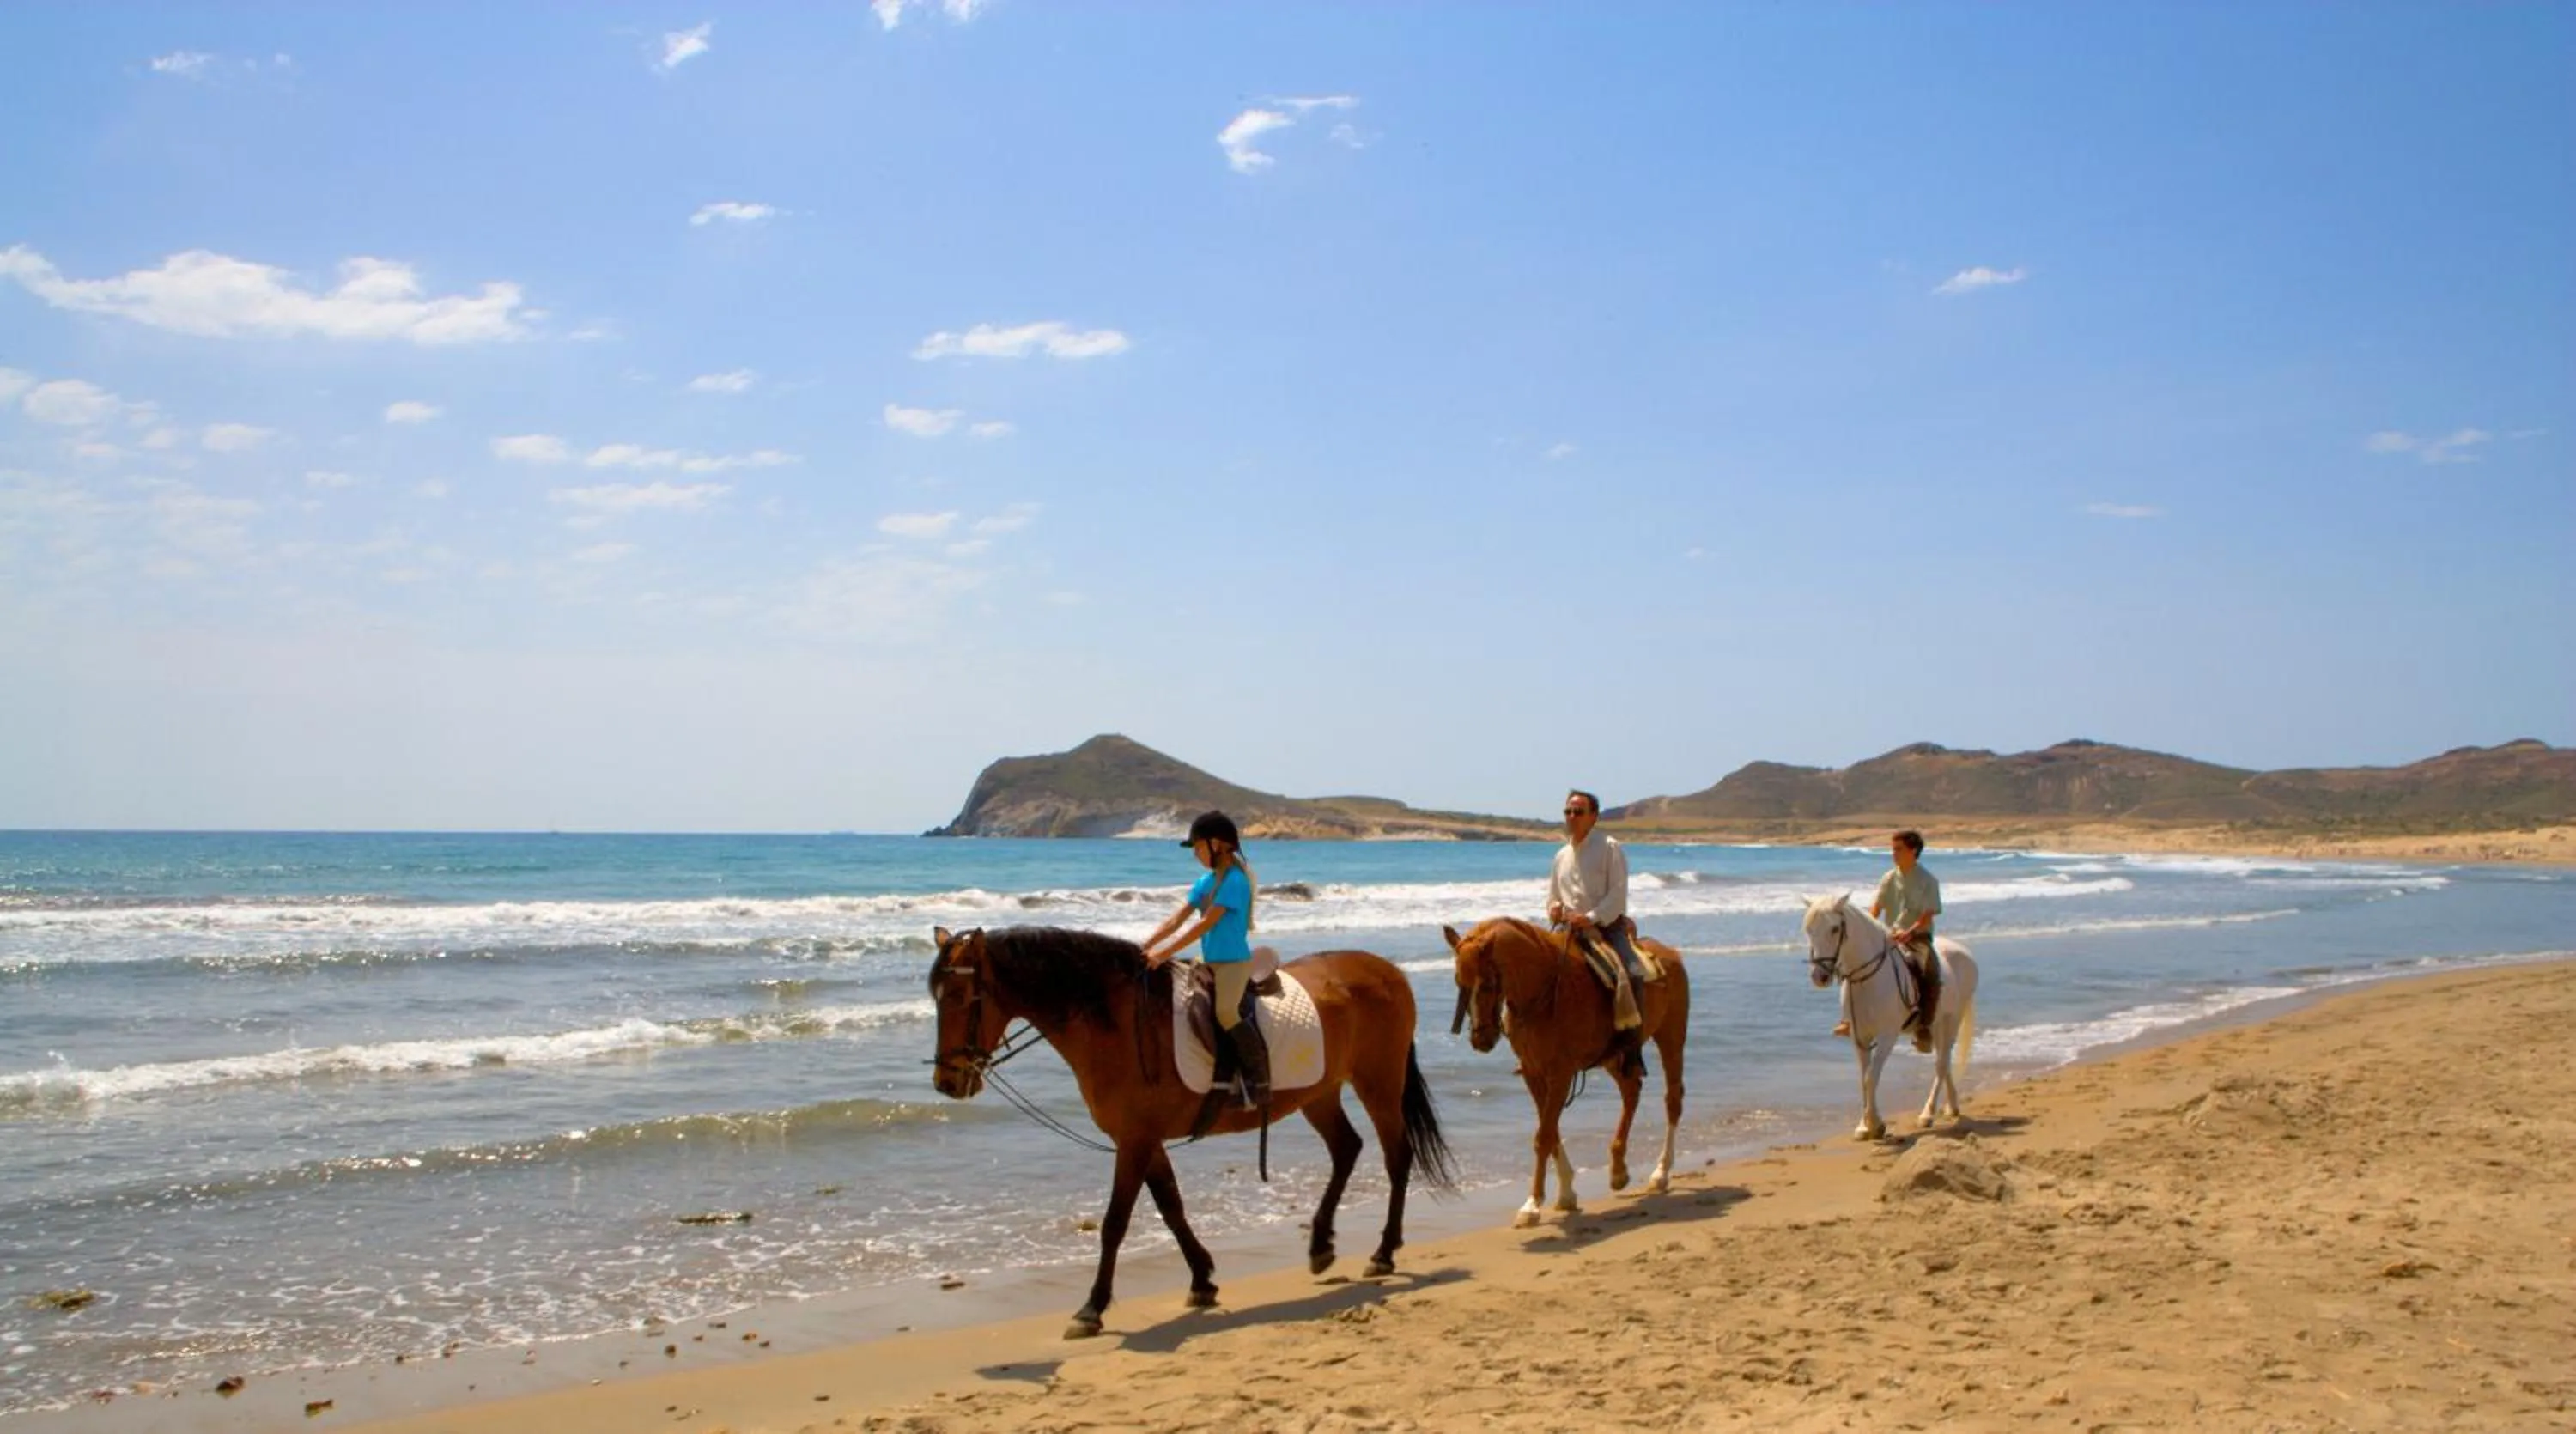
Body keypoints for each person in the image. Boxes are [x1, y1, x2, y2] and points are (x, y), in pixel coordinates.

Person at [1139, 810, 1268, 1109]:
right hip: (1208, 960)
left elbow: (1205, 924)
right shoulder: (1205, 882)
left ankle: (1258, 1076)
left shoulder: (1235, 881)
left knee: (1226, 1012)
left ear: (1217, 845)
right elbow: (1176, 920)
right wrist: (1145, 946)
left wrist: (1164, 954)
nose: (1195, 854)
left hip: (1233, 963)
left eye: (1198, 847)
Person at [1834, 829, 1944, 1051]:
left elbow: (1927, 914)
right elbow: (1876, 908)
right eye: (1893, 849)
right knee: (1853, 965)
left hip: (1917, 937)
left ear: (1913, 850)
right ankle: (1849, 1019)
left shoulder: (1928, 881)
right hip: (1889, 935)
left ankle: (1924, 1027)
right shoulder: (1889, 878)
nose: (1893, 854)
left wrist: (1909, 932)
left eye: (1898, 849)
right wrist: (1867, 928)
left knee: (1929, 971)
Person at [1546, 788, 1644, 1036]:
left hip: (1606, 928)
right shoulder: (1560, 856)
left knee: (1633, 972)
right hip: (1567, 930)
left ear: (1594, 816)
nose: (1572, 816)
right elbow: (1553, 896)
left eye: (1578, 812)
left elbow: (1618, 895)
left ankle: (1630, 1043)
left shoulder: (1610, 848)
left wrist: (1589, 918)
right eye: (1568, 811)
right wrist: (1554, 908)